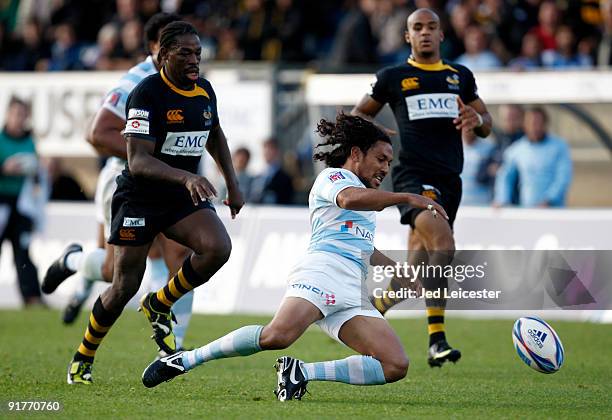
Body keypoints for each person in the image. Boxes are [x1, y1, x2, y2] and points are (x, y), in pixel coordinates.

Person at [140, 113, 447, 399]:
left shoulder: (367, 196)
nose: (385, 168)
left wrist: (397, 270)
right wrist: (406, 197)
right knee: (277, 335)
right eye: (380, 159)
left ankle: (301, 372)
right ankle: (185, 359)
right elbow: (349, 199)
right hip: (322, 273)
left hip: (353, 289)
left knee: (395, 364)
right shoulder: (334, 179)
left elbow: (363, 246)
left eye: (389, 162)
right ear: (355, 154)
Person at [63, 20, 244, 385]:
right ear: (163, 56)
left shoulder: (204, 90)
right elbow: (139, 161)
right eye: (185, 53)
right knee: (122, 285)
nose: (195, 60)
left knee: (217, 248)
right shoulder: (145, 94)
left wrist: (232, 183)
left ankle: (160, 302)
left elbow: (215, 133)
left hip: (179, 195)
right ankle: (83, 356)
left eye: (198, 53)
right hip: (140, 197)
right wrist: (188, 176)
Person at [40, 14, 195, 351]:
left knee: (183, 252)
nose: (189, 54)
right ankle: (74, 261)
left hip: (168, 180)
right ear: (156, 47)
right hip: (126, 177)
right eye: (177, 46)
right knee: (118, 272)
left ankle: (175, 348)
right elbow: (96, 133)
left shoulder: (186, 81)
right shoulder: (137, 79)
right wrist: (150, 158)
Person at [351, 8, 492, 367]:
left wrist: (479, 120)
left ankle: (375, 309)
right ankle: (437, 339)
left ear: (442, 35)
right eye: (417, 27)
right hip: (413, 176)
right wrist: (377, 140)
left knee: (416, 267)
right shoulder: (394, 76)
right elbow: (356, 116)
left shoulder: (459, 76)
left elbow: (487, 124)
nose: (425, 32)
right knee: (443, 243)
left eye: (431, 27)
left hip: (450, 180)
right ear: (407, 37)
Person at [0, 97, 43, 306]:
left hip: (21, 206)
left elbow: (36, 178)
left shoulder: (29, 142)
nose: (20, 119)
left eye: (23, 115)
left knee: (23, 252)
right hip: (1, 202)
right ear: (8, 115)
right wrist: (4, 169)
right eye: (16, 114)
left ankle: (32, 298)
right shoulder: (0, 140)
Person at [494, 106, 572, 208]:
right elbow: (505, 177)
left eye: (538, 123)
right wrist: (502, 199)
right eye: (531, 123)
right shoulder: (516, 149)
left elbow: (563, 178)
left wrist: (549, 200)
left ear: (545, 124)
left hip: (553, 211)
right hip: (527, 211)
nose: (534, 127)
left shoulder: (559, 146)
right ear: (524, 125)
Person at [249, 138, 294, 205]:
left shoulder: (285, 178)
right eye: (265, 148)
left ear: (277, 151)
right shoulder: (257, 176)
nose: (267, 152)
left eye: (270, 149)